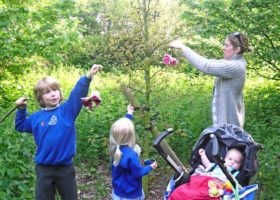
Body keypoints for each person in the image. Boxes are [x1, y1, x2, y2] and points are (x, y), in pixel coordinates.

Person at [14, 64, 102, 200]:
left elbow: (77, 92)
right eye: (47, 92)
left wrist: (88, 77)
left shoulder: (67, 111)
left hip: (65, 168)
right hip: (44, 168)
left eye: (55, 90)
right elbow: (20, 126)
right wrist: (21, 109)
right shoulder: (36, 118)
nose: (53, 94)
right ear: (40, 98)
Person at [170, 32, 251, 128]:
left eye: (226, 45)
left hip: (229, 131)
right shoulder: (231, 63)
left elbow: (206, 66)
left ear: (237, 49)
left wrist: (183, 47)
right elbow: (209, 62)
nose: (223, 48)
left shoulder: (236, 66)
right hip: (225, 128)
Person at [110, 104, 158, 200]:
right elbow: (138, 173)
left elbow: (122, 129)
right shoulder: (131, 155)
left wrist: (129, 113)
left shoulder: (114, 148)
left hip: (117, 193)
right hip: (131, 195)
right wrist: (150, 167)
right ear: (131, 136)